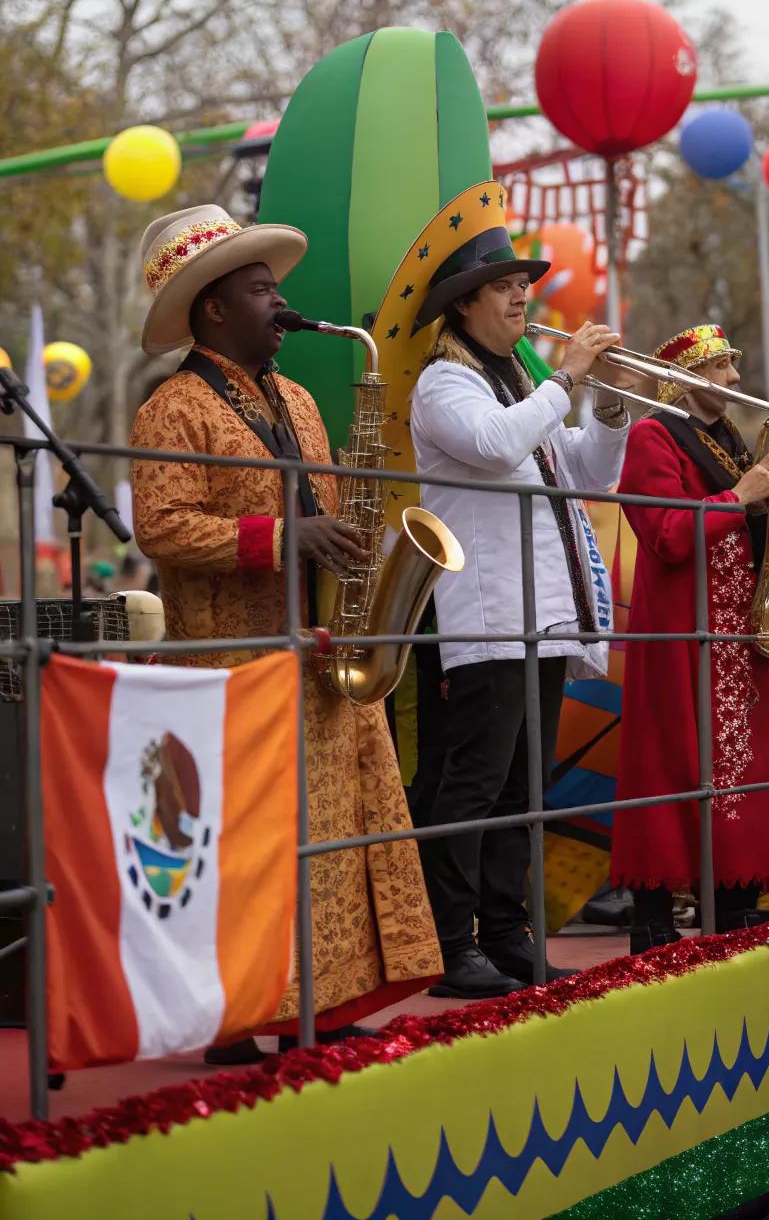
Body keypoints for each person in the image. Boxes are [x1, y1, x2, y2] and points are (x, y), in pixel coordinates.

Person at [130, 204, 442, 1055]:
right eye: (260, 288)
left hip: (320, 658)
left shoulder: (301, 400)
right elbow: (160, 525)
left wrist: (345, 545)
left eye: (278, 286)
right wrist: (283, 538)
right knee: (253, 850)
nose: (281, 301)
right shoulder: (173, 407)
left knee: (336, 839)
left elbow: (330, 510)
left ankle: (318, 1006)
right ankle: (235, 1020)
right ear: (212, 309)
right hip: (236, 668)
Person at [410, 219, 631, 998]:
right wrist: (565, 379)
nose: (521, 299)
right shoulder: (445, 384)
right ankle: (449, 943)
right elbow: (500, 445)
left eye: (522, 288)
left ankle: (506, 933)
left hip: (540, 616)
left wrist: (606, 406)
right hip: (488, 614)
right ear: (466, 304)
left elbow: (586, 474)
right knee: (473, 783)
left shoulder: (519, 383)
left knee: (521, 790)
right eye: (505, 288)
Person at [609, 324, 769, 950]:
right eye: (719, 370)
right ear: (684, 379)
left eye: (732, 368)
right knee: (668, 760)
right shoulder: (652, 435)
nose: (734, 382)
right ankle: (653, 917)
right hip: (684, 630)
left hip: (734, 631)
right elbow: (667, 536)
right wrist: (742, 495)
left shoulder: (730, 439)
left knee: (738, 762)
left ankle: (734, 898)